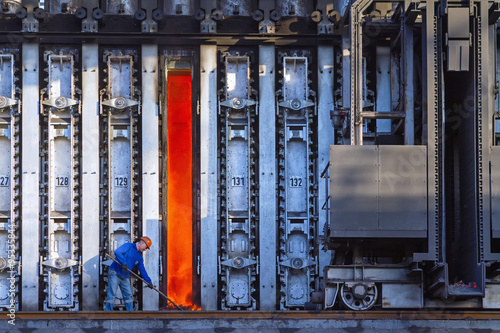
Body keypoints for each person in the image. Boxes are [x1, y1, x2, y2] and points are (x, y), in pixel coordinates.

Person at [105, 236, 154, 311]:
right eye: (146, 247)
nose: (145, 249)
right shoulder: (129, 246)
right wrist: (123, 263)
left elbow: (142, 270)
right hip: (115, 272)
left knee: (128, 296)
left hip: (125, 276)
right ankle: (108, 314)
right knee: (112, 294)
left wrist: (148, 281)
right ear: (141, 243)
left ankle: (130, 314)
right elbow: (117, 252)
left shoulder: (139, 257)